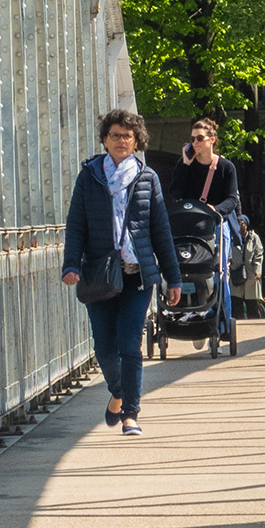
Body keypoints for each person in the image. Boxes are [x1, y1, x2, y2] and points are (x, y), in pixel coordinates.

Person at [61, 108, 184, 438]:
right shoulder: (90, 176)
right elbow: (76, 224)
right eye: (114, 135)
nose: (121, 140)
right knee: (105, 348)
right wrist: (71, 264)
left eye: (127, 136)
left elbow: (161, 230)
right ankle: (118, 392)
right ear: (104, 139)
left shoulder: (148, 178)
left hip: (138, 275)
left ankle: (131, 413)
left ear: (136, 141)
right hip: (99, 273)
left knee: (130, 346)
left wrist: (173, 277)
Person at [168, 116, 240, 215]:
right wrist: (185, 165)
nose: (195, 142)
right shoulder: (183, 164)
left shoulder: (226, 167)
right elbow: (175, 194)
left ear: (212, 139)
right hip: (190, 220)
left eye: (200, 138)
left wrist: (215, 209)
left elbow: (232, 199)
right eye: (192, 139)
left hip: (216, 222)